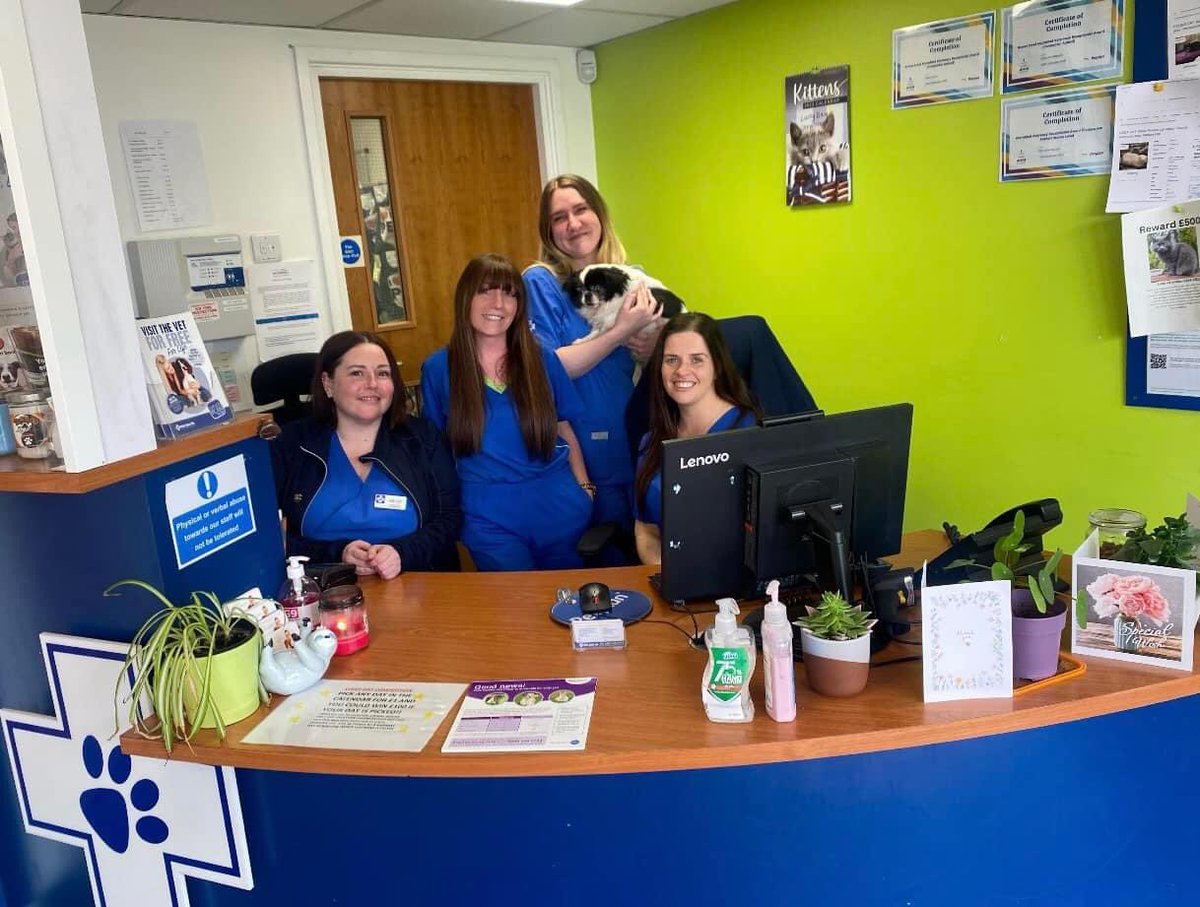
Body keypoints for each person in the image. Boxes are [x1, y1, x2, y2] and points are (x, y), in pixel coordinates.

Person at [421, 253, 596, 571]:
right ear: (465, 298)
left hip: (560, 508)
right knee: (517, 610)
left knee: (567, 609)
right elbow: (435, 453)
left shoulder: (542, 360)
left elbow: (564, 428)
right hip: (488, 518)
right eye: (486, 290)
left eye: (510, 293)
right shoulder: (438, 369)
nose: (499, 303)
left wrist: (585, 490)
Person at [523, 174, 662, 536]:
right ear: (548, 231)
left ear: (599, 214)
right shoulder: (541, 283)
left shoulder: (633, 278)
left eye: (581, 209)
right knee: (598, 562)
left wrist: (650, 351)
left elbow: (664, 367)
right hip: (581, 451)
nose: (573, 223)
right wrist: (621, 332)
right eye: (558, 217)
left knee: (648, 555)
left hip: (636, 437)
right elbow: (549, 369)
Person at [271, 330, 461, 578]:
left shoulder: (422, 439)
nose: (372, 383)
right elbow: (271, 539)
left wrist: (401, 553)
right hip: (322, 591)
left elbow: (450, 519)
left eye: (382, 373)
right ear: (328, 383)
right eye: (357, 373)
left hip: (416, 585)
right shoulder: (290, 445)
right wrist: (338, 554)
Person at [634, 313, 761, 565]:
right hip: (670, 584)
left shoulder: (751, 434)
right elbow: (646, 530)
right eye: (671, 360)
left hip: (733, 590)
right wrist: (669, 575)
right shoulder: (651, 442)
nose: (682, 371)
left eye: (696, 360)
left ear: (717, 367)